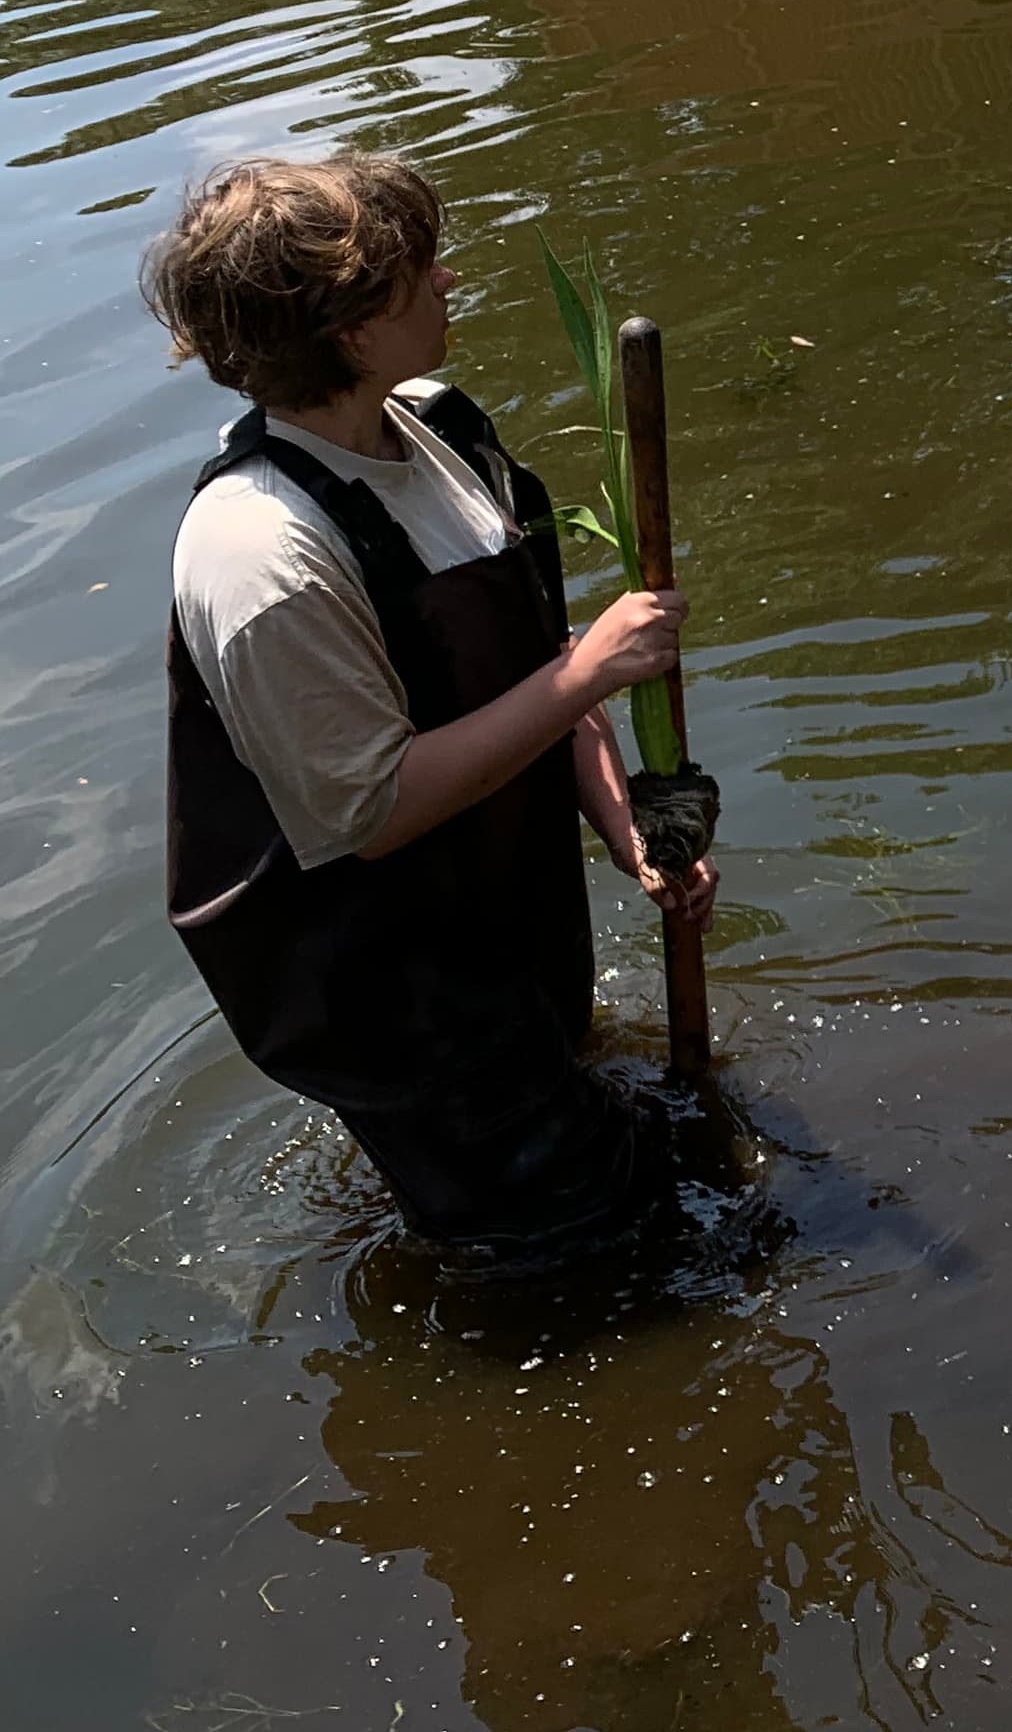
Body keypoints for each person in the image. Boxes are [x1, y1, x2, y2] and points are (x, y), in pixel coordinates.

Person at [145, 153, 713, 1262]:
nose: (450, 281)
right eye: (417, 272)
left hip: (504, 913)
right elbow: (375, 811)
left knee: (643, 1173)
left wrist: (626, 829)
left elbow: (531, 666)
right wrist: (592, 672)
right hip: (392, 988)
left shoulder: (440, 428)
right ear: (352, 326)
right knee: (596, 1253)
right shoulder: (260, 553)